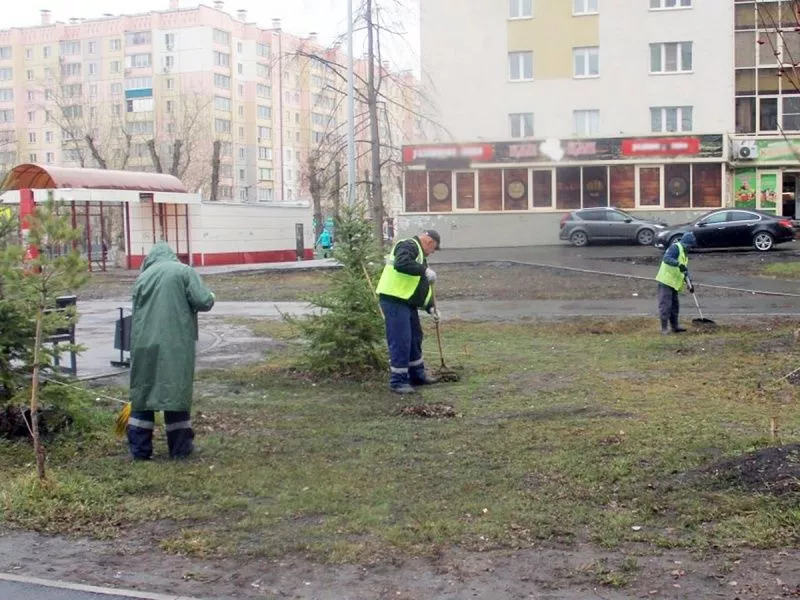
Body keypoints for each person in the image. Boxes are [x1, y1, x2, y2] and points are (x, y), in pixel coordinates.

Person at [127, 242, 216, 460]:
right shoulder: (183, 271)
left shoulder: (143, 277)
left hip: (143, 343)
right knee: (175, 392)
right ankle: (180, 449)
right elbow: (203, 301)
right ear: (171, 255)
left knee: (143, 393)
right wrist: (211, 295)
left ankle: (140, 450)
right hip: (174, 344)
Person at [375, 229, 442, 394]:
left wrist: (430, 307)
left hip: (406, 302)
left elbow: (422, 287)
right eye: (433, 249)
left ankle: (417, 375)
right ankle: (398, 381)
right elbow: (401, 264)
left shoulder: (420, 256)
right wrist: (423, 270)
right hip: (393, 300)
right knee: (401, 339)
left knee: (415, 337)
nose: (432, 253)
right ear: (429, 242)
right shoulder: (408, 245)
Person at [655, 232, 696, 335]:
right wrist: (677, 264)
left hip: (674, 283)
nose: (690, 248)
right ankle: (664, 328)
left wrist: (689, 283)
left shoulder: (684, 253)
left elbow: (684, 270)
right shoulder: (675, 248)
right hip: (666, 281)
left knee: (675, 306)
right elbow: (666, 259)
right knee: (665, 305)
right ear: (686, 243)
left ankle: (675, 326)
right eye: (690, 245)